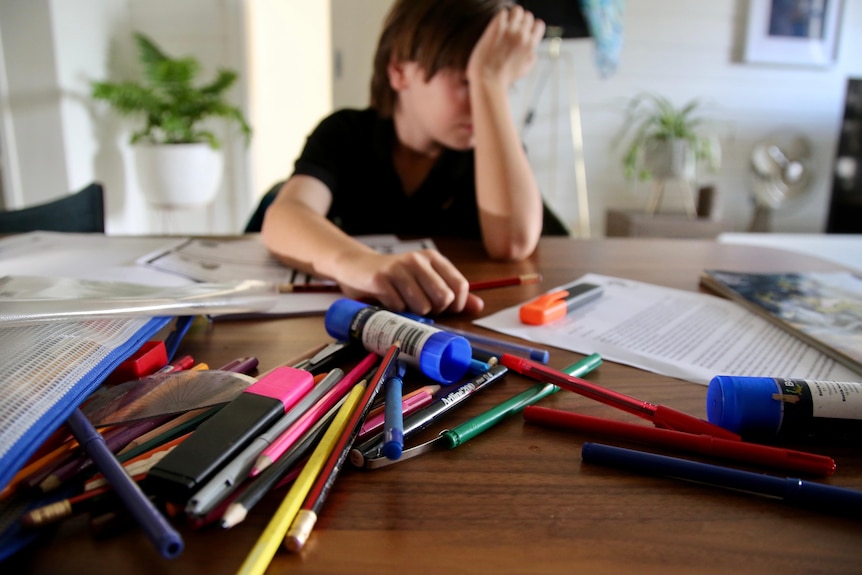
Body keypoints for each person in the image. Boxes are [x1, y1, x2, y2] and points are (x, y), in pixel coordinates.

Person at [261, 0, 545, 316]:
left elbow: (513, 244)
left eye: (499, 85)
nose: (483, 104)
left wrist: (489, 81)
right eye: (468, 81)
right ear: (399, 72)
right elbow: (285, 214)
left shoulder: (491, 151)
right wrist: (359, 262)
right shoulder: (346, 133)